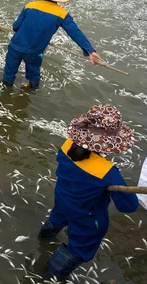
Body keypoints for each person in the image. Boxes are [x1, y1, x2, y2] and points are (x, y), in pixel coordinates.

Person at [38, 104, 138, 280]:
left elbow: (76, 170)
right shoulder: (107, 172)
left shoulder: (67, 145)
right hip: (86, 216)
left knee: (57, 218)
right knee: (79, 247)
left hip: (62, 198)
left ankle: (42, 239)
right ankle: (48, 275)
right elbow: (128, 206)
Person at [3, 0, 102, 89]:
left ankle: (7, 88)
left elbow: (16, 26)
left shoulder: (30, 6)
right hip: (35, 52)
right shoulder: (62, 14)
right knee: (34, 73)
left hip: (16, 46)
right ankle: (31, 90)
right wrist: (90, 50)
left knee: (9, 71)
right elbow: (75, 32)